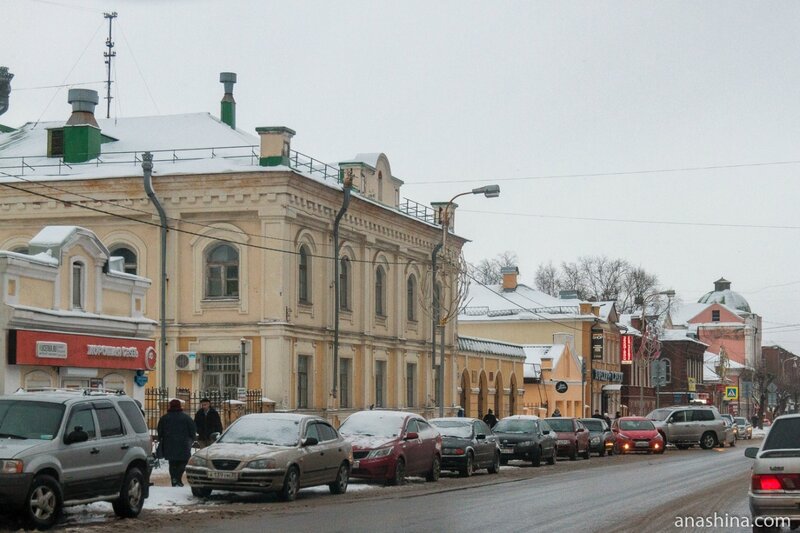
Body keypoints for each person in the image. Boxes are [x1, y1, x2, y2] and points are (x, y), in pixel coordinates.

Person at [157, 399, 197, 487]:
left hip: (169, 444)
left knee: (172, 463)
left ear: (170, 406)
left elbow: (160, 431)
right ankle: (178, 478)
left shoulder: (164, 418)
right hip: (183, 444)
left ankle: (174, 479)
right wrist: (192, 439)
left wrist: (162, 439)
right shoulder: (186, 418)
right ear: (180, 406)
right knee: (183, 462)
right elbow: (193, 430)